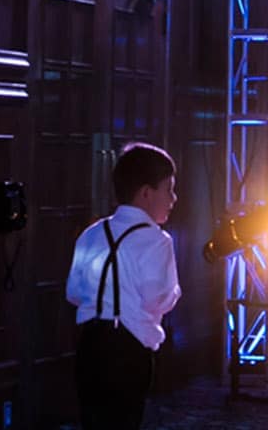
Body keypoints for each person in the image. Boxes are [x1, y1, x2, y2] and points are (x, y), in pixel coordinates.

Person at [66, 142, 181, 430]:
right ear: (146, 193)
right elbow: (158, 298)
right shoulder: (157, 241)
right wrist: (175, 292)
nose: (174, 199)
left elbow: (73, 292)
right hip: (129, 350)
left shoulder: (91, 234)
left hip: (89, 344)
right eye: (168, 189)